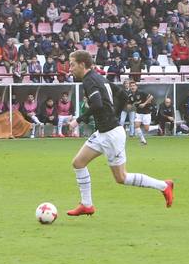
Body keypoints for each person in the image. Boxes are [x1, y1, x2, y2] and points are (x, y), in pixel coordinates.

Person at [63, 50, 173, 217]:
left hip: (111, 135)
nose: (69, 69)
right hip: (103, 133)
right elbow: (122, 95)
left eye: (72, 64)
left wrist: (77, 120)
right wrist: (114, 115)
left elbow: (98, 104)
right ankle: (86, 205)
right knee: (78, 163)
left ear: (82, 64)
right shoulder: (98, 77)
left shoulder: (89, 80)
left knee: (121, 178)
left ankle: (164, 186)